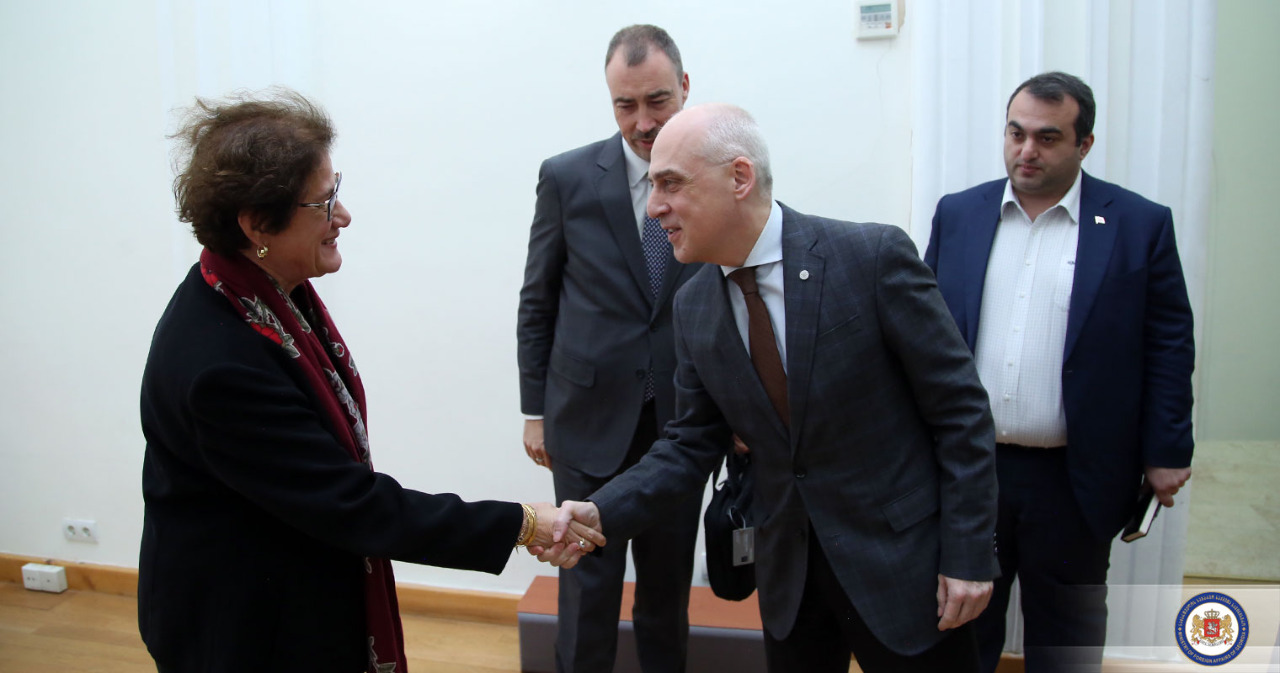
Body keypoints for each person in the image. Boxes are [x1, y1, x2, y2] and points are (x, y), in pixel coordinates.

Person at [139, 89, 601, 673]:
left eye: (336, 190)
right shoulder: (220, 365)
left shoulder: (260, 292)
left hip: (289, 590)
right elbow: (352, 504)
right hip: (242, 623)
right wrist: (523, 522)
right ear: (256, 224)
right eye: (323, 202)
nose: (343, 216)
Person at [550, 103, 999, 673]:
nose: (654, 205)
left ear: (739, 178)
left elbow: (960, 412)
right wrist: (601, 511)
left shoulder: (870, 259)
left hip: (906, 570)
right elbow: (688, 444)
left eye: (671, 184)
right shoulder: (694, 307)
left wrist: (968, 553)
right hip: (791, 580)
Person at [923, 72, 1195, 672]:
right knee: (961, 637)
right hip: (971, 472)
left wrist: (1168, 448)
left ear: (1084, 144)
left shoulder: (1138, 224)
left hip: (1076, 476)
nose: (1027, 151)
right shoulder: (960, 214)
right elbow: (921, 338)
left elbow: (1169, 344)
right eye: (1016, 133)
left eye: (1047, 138)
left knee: (1066, 643)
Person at [517, 25, 715, 673]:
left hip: (680, 427)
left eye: (657, 101)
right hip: (585, 422)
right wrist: (534, 411)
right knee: (587, 593)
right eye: (624, 105)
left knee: (666, 593)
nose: (643, 122)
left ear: (685, 87)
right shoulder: (567, 178)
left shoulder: (716, 176)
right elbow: (538, 301)